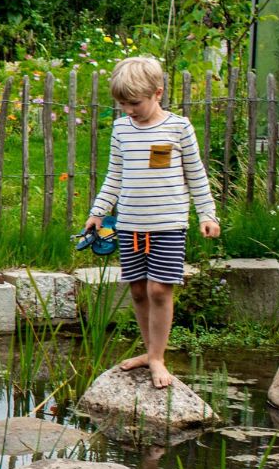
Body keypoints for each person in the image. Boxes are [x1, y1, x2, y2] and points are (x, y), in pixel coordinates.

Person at [83, 55, 220, 389]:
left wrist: (207, 213)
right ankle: (148, 351)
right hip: (130, 225)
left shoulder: (178, 127)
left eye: (135, 103)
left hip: (168, 224)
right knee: (138, 290)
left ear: (158, 93)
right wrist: (98, 211)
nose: (128, 110)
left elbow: (196, 174)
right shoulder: (121, 129)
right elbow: (114, 175)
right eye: (122, 104)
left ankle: (157, 357)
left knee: (160, 289)